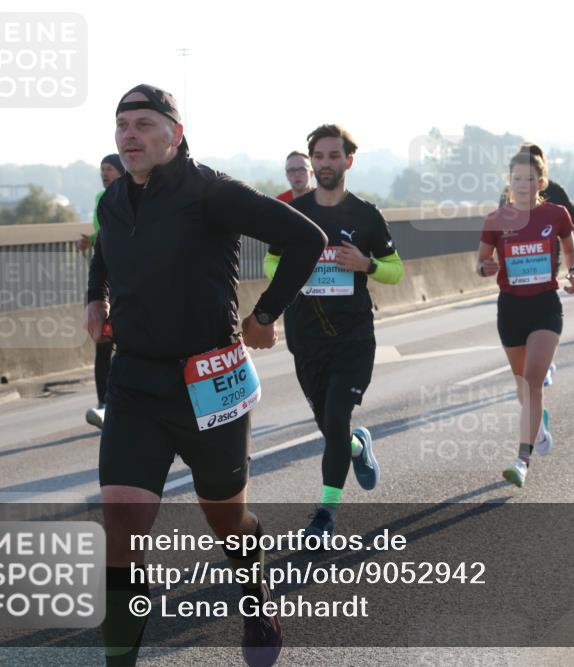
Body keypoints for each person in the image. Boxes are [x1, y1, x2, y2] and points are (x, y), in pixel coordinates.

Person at [86, 84, 326, 667]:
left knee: (226, 518)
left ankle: (255, 594)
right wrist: (96, 298)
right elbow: (106, 249)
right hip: (136, 383)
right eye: (122, 125)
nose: (130, 134)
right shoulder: (114, 200)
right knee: (121, 521)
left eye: (144, 123)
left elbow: (306, 237)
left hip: (208, 380)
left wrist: (265, 314)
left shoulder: (212, 194)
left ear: (177, 133)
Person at [263, 125, 404, 538]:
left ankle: (325, 515)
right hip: (306, 336)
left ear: (348, 161)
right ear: (313, 163)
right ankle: (358, 446)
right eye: (319, 157)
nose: (326, 164)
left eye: (333, 156)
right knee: (333, 429)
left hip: (353, 336)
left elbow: (396, 271)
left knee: (337, 416)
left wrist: (368, 265)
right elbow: (270, 266)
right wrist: (297, 267)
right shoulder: (293, 213)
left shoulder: (366, 215)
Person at [477, 147, 574, 488]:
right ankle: (539, 424)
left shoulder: (556, 214)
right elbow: (481, 262)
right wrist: (485, 266)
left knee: (533, 381)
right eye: (517, 178)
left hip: (546, 306)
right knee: (524, 388)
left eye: (530, 178)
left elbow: (569, 246)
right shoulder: (495, 220)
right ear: (510, 181)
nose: (523, 184)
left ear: (541, 181)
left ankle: (522, 460)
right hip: (511, 308)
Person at [78, 153, 125, 429]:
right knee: (103, 342)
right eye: (101, 170)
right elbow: (105, 233)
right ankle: (104, 403)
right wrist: (91, 240)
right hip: (107, 280)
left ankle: (121, 403)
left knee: (127, 345)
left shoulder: (137, 195)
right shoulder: (102, 199)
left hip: (130, 283)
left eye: (109, 169)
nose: (104, 174)